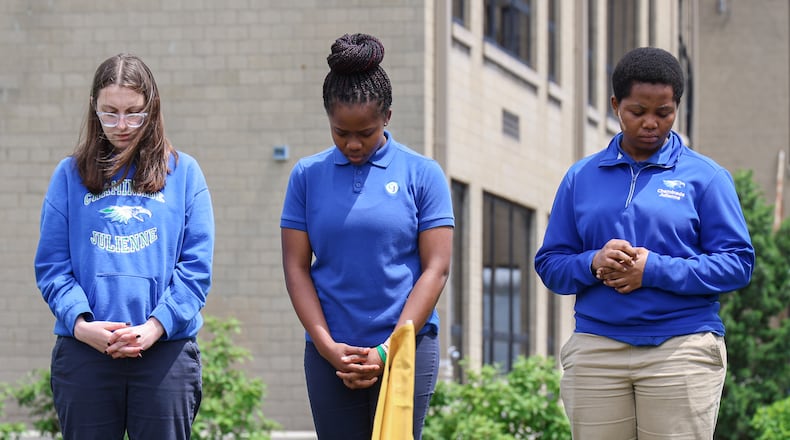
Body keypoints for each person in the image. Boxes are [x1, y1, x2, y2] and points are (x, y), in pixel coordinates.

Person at [534, 46, 754, 439]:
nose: (651, 123)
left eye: (664, 112)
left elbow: (737, 264)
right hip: (597, 350)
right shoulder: (580, 177)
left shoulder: (706, 178)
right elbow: (551, 264)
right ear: (616, 104)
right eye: (638, 111)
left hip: (681, 347)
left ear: (677, 108)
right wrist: (593, 262)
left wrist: (652, 270)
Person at [280, 33, 454, 440]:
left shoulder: (422, 174)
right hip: (331, 353)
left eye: (367, 132)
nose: (353, 144)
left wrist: (387, 350)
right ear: (328, 119)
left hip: (405, 349)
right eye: (341, 133)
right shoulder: (307, 176)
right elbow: (296, 268)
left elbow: (437, 269)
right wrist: (326, 346)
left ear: (388, 117)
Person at [34, 53, 214, 440]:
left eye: (134, 112)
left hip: (166, 352)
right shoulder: (69, 175)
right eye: (110, 112)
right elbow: (52, 267)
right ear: (94, 109)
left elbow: (196, 269)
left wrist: (154, 327)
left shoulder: (184, 174)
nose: (122, 125)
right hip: (85, 353)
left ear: (153, 108)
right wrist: (82, 326)